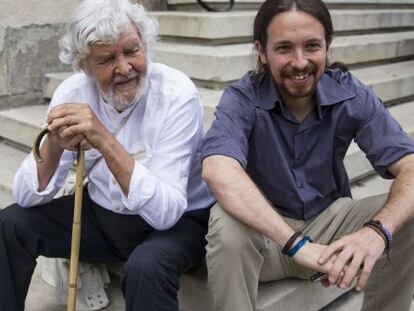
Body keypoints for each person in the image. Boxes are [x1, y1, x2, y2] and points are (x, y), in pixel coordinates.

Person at [0, 0, 215, 310]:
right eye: (106, 59)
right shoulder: (73, 92)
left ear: (146, 45)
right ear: (83, 65)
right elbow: (26, 195)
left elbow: (166, 212)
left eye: (131, 51)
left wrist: (103, 138)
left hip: (178, 223)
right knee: (10, 225)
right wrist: (55, 145)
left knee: (146, 268)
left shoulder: (176, 94)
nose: (124, 68)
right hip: (103, 215)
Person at [200, 0, 414, 310]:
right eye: (284, 48)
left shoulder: (351, 94)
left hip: (330, 233)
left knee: (405, 213)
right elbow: (217, 169)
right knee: (225, 222)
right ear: (261, 50)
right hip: (266, 240)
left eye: (312, 46)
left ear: (327, 45)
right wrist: (295, 243)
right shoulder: (242, 97)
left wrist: (377, 231)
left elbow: (410, 167)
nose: (300, 62)